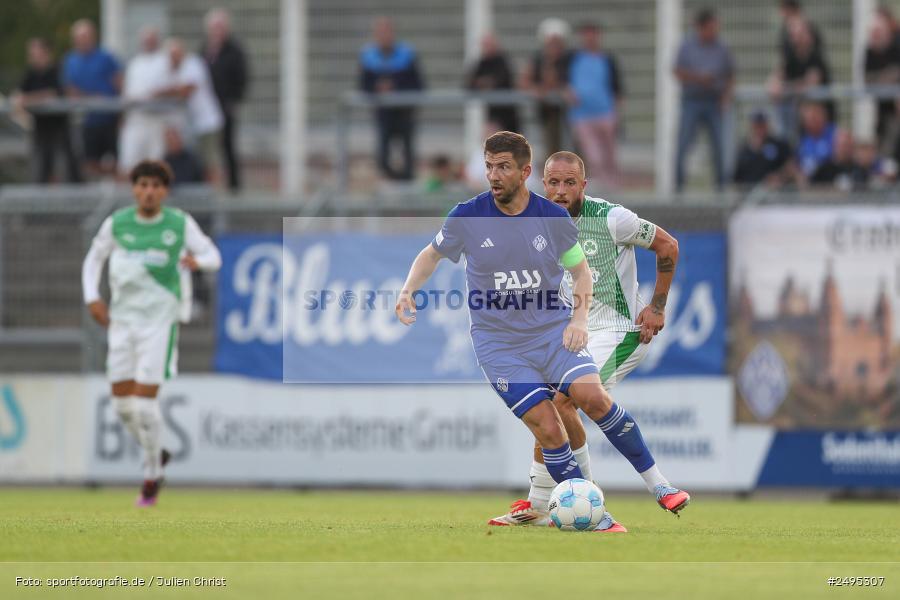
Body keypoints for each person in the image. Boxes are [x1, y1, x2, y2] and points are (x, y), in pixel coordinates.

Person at [396, 132, 685, 532]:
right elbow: (431, 253)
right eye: (489, 166)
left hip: (554, 331)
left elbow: (581, 272)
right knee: (549, 425)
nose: (494, 175)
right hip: (499, 346)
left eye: (504, 167)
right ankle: (588, 511)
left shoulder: (552, 219)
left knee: (589, 397)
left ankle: (652, 488)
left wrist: (579, 322)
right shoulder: (468, 216)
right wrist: (409, 288)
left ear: (523, 172)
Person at [487, 150, 689, 527]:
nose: (560, 191)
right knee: (549, 405)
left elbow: (668, 246)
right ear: (541, 183)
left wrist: (658, 307)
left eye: (569, 183)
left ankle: (655, 486)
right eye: (553, 182)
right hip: (571, 333)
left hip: (619, 331)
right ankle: (546, 502)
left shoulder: (612, 219)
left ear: (584, 185)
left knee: (567, 398)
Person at [82, 160, 221, 506]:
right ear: (134, 188)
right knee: (122, 407)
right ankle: (158, 452)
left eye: (156, 186)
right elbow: (92, 260)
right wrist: (93, 297)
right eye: (143, 185)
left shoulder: (178, 223)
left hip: (159, 322)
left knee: (144, 406)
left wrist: (197, 263)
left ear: (165, 191)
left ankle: (151, 473)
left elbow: (213, 255)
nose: (148, 192)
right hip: (121, 322)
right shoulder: (118, 223)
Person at [673, 8, 735, 192]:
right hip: (692, 101)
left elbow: (730, 75)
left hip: (714, 102)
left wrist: (725, 98)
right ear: (701, 27)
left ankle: (721, 189)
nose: (714, 30)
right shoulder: (687, 46)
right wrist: (700, 78)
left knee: (719, 146)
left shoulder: (722, 48)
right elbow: (677, 71)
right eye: (711, 27)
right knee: (684, 144)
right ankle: (679, 188)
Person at [359, 16, 424, 181]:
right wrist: (376, 88)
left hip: (404, 112)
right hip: (383, 114)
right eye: (380, 32)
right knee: (382, 155)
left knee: (407, 152)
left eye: (386, 32)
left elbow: (418, 84)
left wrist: (395, 87)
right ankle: (393, 180)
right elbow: (363, 85)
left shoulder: (406, 55)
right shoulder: (369, 57)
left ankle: (406, 182)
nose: (384, 36)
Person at [159, 39, 224, 184]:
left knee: (211, 161)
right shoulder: (176, 69)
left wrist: (161, 93)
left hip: (208, 122)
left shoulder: (193, 64)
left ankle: (218, 196)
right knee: (200, 163)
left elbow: (185, 90)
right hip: (194, 125)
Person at [566, 23, 623, 188]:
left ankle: (614, 186)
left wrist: (616, 112)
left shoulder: (607, 59)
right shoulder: (573, 58)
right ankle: (602, 186)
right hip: (582, 114)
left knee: (609, 154)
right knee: (594, 155)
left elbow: (617, 87)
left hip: (605, 112)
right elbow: (563, 80)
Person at [17, 37, 81, 183]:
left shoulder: (57, 70)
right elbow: (20, 96)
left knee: (65, 167)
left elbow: (53, 93)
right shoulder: (31, 73)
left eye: (35, 52)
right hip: (40, 128)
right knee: (40, 169)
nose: (32, 56)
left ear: (45, 52)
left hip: (60, 129)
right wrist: (29, 99)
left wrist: (30, 99)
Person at [63, 19, 122, 176]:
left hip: (109, 118)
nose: (83, 41)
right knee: (89, 162)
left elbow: (118, 83)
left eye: (86, 36)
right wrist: (91, 97)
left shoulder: (106, 57)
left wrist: (121, 113)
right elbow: (70, 89)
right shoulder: (71, 60)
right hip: (87, 121)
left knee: (115, 161)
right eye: (80, 37)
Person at [200, 8, 248, 191]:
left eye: (220, 26)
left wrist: (234, 100)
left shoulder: (234, 50)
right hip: (206, 107)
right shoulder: (205, 48)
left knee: (228, 145)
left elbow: (242, 77)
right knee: (207, 148)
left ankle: (233, 186)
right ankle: (208, 185)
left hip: (225, 106)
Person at [768, 17, 832, 139]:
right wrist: (776, 84)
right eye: (793, 35)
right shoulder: (790, 56)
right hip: (796, 117)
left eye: (800, 34)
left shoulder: (816, 56)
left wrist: (786, 88)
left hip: (819, 120)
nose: (796, 39)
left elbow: (810, 84)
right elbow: (775, 81)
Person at [119, 27, 170, 176]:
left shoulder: (164, 61)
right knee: (130, 162)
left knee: (156, 164)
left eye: (151, 40)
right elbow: (127, 93)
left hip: (157, 120)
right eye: (146, 40)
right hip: (136, 119)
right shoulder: (134, 63)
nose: (148, 43)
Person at [521, 18, 573, 158]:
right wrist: (536, 89)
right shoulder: (538, 59)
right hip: (547, 112)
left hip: (571, 113)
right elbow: (525, 81)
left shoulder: (570, 59)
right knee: (551, 146)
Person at [465, 34, 520, 133]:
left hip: (508, 113)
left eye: (488, 45)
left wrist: (484, 83)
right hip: (492, 113)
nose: (486, 48)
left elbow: (502, 81)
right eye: (485, 46)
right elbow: (469, 83)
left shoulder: (503, 61)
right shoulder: (483, 62)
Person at [864, 14, 900, 154]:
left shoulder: (896, 48)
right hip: (882, 109)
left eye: (879, 32)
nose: (876, 36)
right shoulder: (870, 52)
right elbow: (868, 81)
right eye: (874, 33)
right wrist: (888, 76)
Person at [733, 111, 793, 187]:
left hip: (775, 194)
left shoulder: (779, 145)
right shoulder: (743, 151)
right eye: (756, 126)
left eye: (762, 126)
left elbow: (791, 166)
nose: (759, 130)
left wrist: (780, 176)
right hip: (751, 195)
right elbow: (737, 180)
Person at [796, 100, 835, 178]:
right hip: (808, 182)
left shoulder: (834, 134)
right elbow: (797, 162)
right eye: (808, 120)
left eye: (814, 118)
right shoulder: (804, 139)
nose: (811, 122)